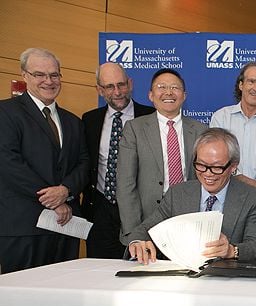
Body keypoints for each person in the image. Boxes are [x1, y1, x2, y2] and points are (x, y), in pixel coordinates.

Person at [0, 48, 88, 273]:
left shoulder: (73, 121)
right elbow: (8, 163)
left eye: (54, 75)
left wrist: (66, 190)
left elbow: (84, 162)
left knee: (63, 296)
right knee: (21, 299)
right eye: (40, 74)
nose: (48, 81)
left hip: (65, 227)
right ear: (24, 76)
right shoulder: (6, 112)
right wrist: (53, 199)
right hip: (24, 226)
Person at [128, 128, 256, 264]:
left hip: (228, 279)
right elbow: (144, 230)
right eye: (201, 165)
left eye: (217, 167)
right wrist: (137, 242)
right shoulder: (177, 194)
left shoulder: (253, 198)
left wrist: (231, 251)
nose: (208, 173)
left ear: (233, 167)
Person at [116, 68, 207, 246]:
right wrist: (134, 233)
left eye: (175, 87)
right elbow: (126, 184)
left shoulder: (201, 130)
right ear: (151, 95)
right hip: (147, 222)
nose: (168, 92)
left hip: (189, 222)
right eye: (161, 87)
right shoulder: (134, 129)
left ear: (184, 95)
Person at [210, 61, 256, 262]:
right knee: (219, 263)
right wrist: (250, 183)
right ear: (241, 85)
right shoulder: (220, 118)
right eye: (251, 81)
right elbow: (216, 167)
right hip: (222, 203)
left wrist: (234, 176)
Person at [81, 62, 155, 258]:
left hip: (140, 210)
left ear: (130, 84)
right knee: (99, 271)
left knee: (141, 269)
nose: (117, 92)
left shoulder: (152, 116)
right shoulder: (89, 120)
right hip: (101, 210)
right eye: (109, 86)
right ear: (99, 89)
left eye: (121, 84)